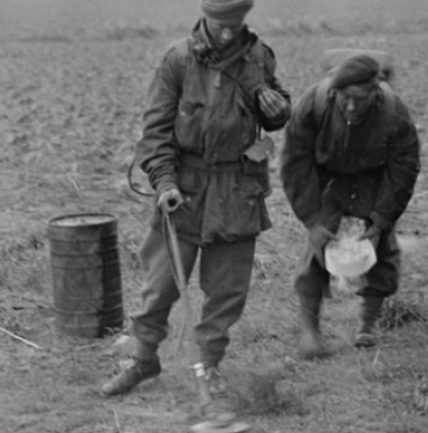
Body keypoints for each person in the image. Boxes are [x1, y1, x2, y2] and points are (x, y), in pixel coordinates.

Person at [101, 0, 291, 396]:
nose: (226, 32)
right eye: (219, 24)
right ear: (206, 17)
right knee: (160, 285)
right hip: (184, 190)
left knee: (226, 291)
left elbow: (274, 111)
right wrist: (165, 183)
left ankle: (208, 365)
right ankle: (143, 359)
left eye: (234, 24)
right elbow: (155, 133)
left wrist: (277, 112)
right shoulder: (178, 60)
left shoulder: (259, 57)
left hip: (238, 189)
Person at [280, 55, 420, 359]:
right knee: (317, 251)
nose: (352, 107)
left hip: (375, 180)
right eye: (346, 99)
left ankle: (368, 324)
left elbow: (404, 170)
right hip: (328, 181)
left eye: (360, 99)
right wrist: (312, 219)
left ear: (375, 92)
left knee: (380, 248)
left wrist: (381, 220)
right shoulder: (311, 105)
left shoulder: (394, 113)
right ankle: (310, 332)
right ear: (334, 93)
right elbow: (294, 164)